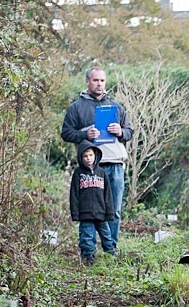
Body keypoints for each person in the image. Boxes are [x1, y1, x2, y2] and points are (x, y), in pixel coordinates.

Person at [61, 66, 133, 251]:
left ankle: (111, 250)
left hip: (115, 164)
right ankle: (89, 252)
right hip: (90, 168)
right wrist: (85, 134)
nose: (99, 84)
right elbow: (66, 133)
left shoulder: (116, 106)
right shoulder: (76, 108)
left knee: (114, 210)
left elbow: (130, 131)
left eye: (102, 80)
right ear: (87, 82)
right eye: (95, 80)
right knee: (90, 211)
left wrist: (121, 132)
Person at [70, 140, 116, 266]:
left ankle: (111, 257)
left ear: (95, 155)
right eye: (85, 156)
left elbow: (108, 195)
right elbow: (74, 194)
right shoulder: (78, 173)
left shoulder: (102, 173)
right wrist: (75, 214)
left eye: (90, 155)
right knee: (87, 236)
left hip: (101, 212)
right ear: (81, 157)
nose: (88, 158)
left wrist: (109, 212)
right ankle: (88, 258)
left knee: (107, 236)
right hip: (85, 214)